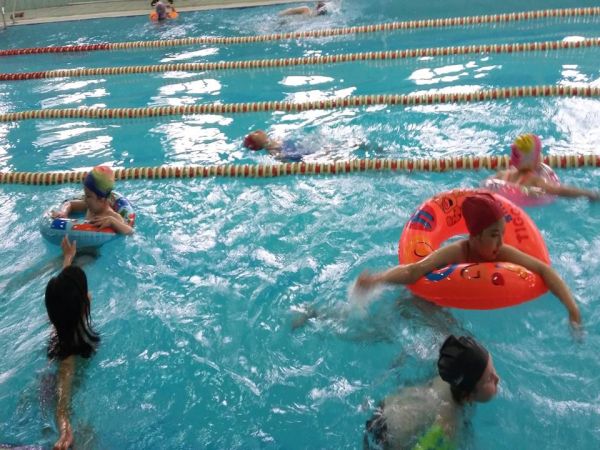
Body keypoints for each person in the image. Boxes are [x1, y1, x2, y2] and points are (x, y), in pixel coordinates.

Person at [355, 192, 581, 327]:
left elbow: (544, 270)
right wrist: (376, 279)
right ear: (475, 236)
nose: (501, 242)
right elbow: (414, 271)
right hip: (433, 298)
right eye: (494, 235)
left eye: (502, 234)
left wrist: (572, 309)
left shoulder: (502, 252)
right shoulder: (457, 252)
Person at [364, 335, 499, 449]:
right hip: (387, 439)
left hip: (387, 407)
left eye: (493, 370)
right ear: (467, 396)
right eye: (489, 379)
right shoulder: (450, 423)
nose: (497, 378)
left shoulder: (448, 372)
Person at [45, 236, 100, 450]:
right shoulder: (69, 360)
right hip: (49, 386)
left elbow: (63, 296)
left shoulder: (59, 323)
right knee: (89, 437)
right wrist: (65, 430)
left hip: (50, 371)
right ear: (85, 304)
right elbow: (62, 404)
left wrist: (68, 258)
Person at [493, 134, 600, 200]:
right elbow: (560, 190)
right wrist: (587, 193)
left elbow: (488, 185)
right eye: (539, 153)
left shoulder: (503, 174)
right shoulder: (534, 180)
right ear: (534, 160)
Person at [51, 165, 134, 235]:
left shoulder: (113, 216)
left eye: (88, 196)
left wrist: (112, 221)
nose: (85, 199)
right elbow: (70, 204)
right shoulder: (89, 207)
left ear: (101, 198)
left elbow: (130, 231)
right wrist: (63, 212)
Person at [243, 130, 309, 162]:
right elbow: (284, 160)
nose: (258, 131)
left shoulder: (274, 141)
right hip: (293, 151)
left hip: (293, 149)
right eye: (255, 133)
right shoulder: (272, 149)